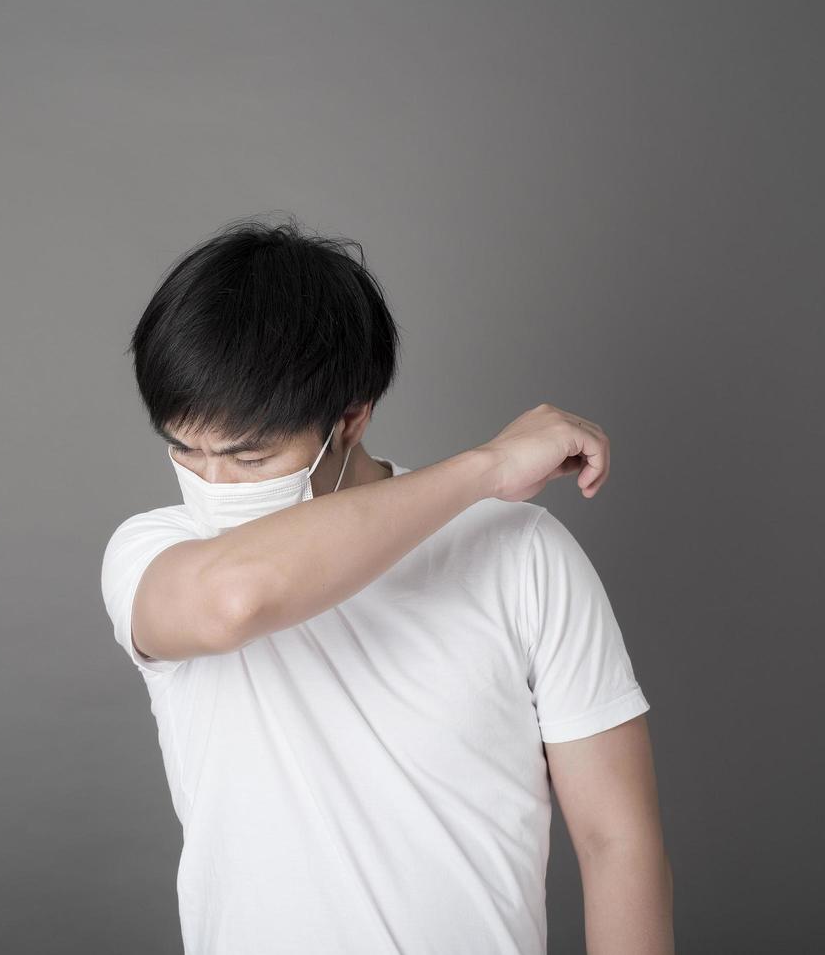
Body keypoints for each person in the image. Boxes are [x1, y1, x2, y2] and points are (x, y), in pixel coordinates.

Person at [100, 216, 674, 954]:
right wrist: (488, 468)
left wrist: (486, 501)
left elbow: (617, 840)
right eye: (186, 451)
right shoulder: (156, 549)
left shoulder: (523, 555)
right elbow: (234, 602)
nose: (211, 484)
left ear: (351, 418)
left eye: (248, 459)